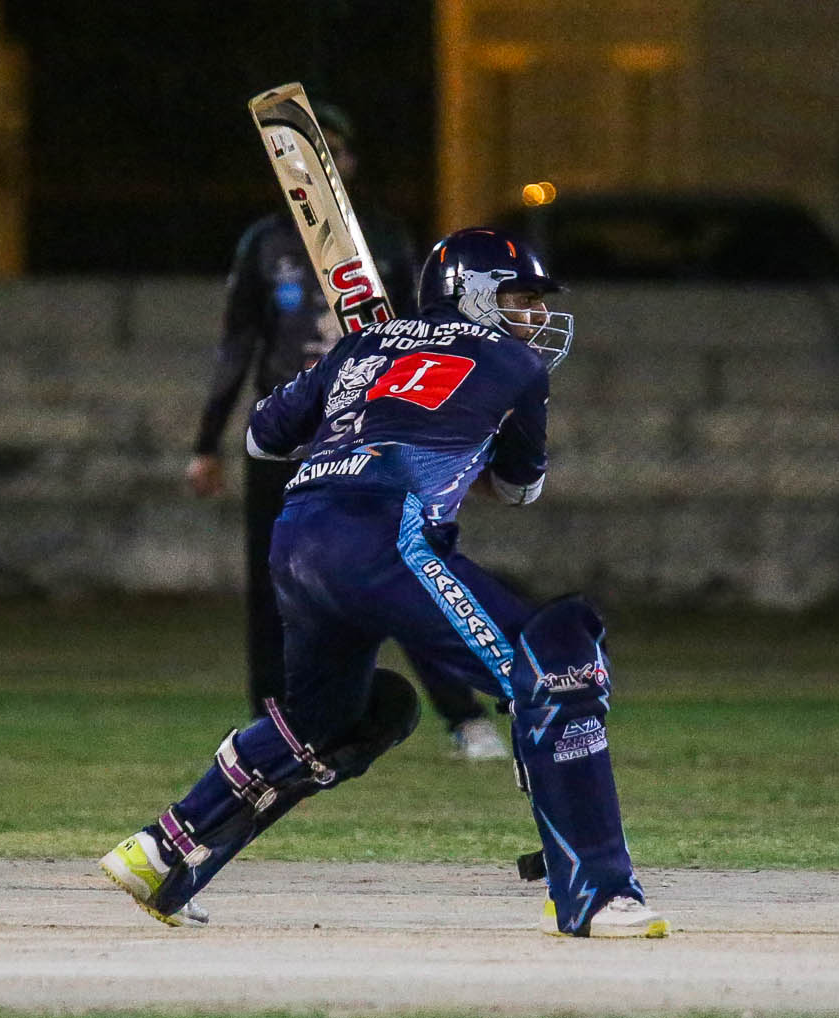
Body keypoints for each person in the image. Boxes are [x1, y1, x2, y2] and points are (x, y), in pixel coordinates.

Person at [102, 228, 668, 938]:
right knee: (558, 662)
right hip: (384, 534)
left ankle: (164, 851)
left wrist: (361, 394)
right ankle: (596, 893)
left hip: (297, 536)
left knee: (340, 719)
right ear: (473, 294)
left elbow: (262, 437)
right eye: (520, 297)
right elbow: (521, 487)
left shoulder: (360, 346)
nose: (534, 314)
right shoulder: (516, 363)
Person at [187, 104, 507, 760]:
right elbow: (238, 343)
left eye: (330, 151)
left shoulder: (383, 239)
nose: (315, 165)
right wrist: (207, 442)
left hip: (370, 439)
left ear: (350, 163)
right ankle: (276, 726)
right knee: (276, 586)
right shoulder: (265, 243)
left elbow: (428, 337)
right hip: (286, 443)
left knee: (402, 571)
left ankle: (464, 717)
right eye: (301, 155)